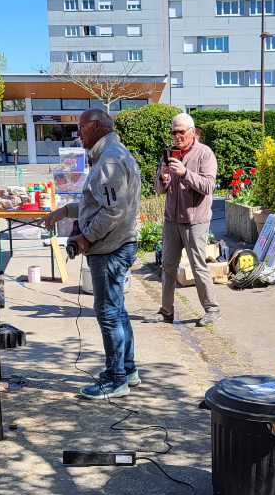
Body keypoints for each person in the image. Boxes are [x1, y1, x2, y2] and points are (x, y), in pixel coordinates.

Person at [44, 109, 141, 399]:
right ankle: (128, 369)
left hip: (110, 248)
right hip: (113, 245)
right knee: (116, 310)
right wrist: (67, 210)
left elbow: (113, 210)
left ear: (96, 126)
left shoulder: (110, 159)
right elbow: (97, 202)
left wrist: (85, 237)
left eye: (81, 127)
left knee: (108, 313)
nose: (79, 134)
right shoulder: (109, 153)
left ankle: (116, 378)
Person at [144, 113, 220, 327]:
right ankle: (166, 311)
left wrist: (185, 172)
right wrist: (163, 178)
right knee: (168, 267)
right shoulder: (168, 153)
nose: (177, 136)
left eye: (181, 131)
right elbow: (158, 189)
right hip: (172, 220)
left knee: (198, 267)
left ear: (192, 131)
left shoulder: (205, 154)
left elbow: (208, 186)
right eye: (173, 132)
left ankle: (212, 309)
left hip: (195, 221)